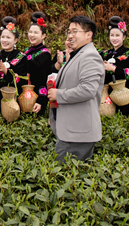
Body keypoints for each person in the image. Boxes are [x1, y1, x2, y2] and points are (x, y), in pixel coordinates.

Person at [48, 15, 104, 162]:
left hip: (78, 133)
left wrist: (58, 94)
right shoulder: (77, 55)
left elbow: (87, 90)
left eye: (75, 31)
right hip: (71, 130)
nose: (70, 35)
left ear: (88, 35)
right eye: (68, 32)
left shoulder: (90, 56)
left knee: (66, 177)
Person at [101, 16, 129, 115]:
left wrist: (113, 69)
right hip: (107, 95)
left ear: (124, 37)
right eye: (112, 35)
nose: (114, 38)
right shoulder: (105, 54)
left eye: (117, 35)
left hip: (124, 96)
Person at [0, 16, 27, 112]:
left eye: (8, 37)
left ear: (15, 40)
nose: (4, 40)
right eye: (3, 37)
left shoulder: (21, 57)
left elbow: (22, 80)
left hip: (14, 93)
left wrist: (6, 71)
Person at [24, 11, 52, 115]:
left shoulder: (45, 54)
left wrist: (40, 101)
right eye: (30, 32)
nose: (32, 35)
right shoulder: (27, 51)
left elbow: (44, 79)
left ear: (43, 35)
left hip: (36, 97)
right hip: (25, 93)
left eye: (36, 33)